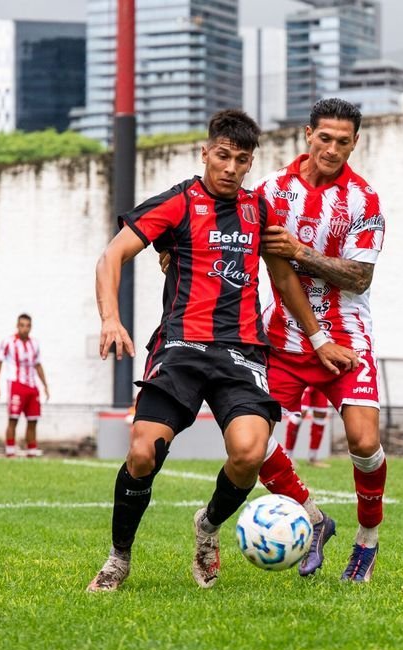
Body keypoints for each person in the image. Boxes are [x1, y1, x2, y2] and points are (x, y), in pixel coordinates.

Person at [86, 110, 356, 592]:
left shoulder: (259, 211)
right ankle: (118, 558)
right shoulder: (177, 203)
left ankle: (207, 527)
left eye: (242, 160)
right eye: (223, 156)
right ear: (206, 153)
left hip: (242, 352)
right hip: (181, 348)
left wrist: (319, 339)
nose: (231, 168)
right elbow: (112, 255)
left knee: (249, 453)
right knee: (143, 452)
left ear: (251, 163)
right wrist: (110, 318)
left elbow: (283, 279)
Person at [256, 98, 388, 582]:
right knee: (249, 445)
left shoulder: (364, 200)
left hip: (347, 335)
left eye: (343, 142)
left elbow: (358, 277)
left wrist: (299, 251)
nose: (332, 149)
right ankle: (314, 518)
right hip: (282, 337)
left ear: (355, 143)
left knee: (364, 442)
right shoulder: (271, 190)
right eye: (325, 138)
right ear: (308, 134)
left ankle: (367, 539)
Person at [0, 313, 49, 457]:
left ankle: (32, 453)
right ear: (17, 326)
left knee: (33, 420)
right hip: (16, 385)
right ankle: (10, 453)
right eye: (22, 325)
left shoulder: (34, 343)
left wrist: (45, 385)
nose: (25, 329)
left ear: (31, 327)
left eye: (28, 326)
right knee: (13, 419)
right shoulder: (8, 342)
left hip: (32, 386)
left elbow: (38, 365)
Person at [284, 386, 331, 468]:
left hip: (321, 381)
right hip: (306, 380)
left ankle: (312, 458)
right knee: (300, 412)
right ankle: (288, 456)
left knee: (321, 414)